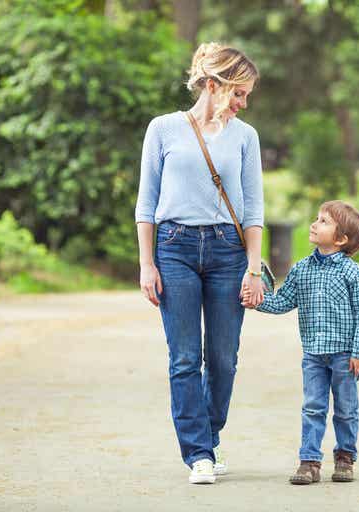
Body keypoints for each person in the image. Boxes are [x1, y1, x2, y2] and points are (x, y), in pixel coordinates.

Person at [135, 42, 265, 485]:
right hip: (174, 248)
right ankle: (199, 454)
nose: (243, 104)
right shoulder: (164, 129)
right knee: (185, 357)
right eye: (239, 93)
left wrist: (253, 267)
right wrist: (146, 264)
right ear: (214, 85)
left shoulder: (245, 137)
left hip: (228, 251)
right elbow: (146, 203)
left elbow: (253, 210)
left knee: (223, 359)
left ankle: (208, 436)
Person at [242, 200, 359, 484]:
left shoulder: (354, 273)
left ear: (341, 239)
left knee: (346, 409)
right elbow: (282, 302)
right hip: (313, 355)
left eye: (324, 221)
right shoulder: (301, 269)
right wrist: (257, 300)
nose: (314, 224)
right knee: (313, 406)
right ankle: (310, 461)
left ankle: (345, 458)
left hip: (345, 355)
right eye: (317, 218)